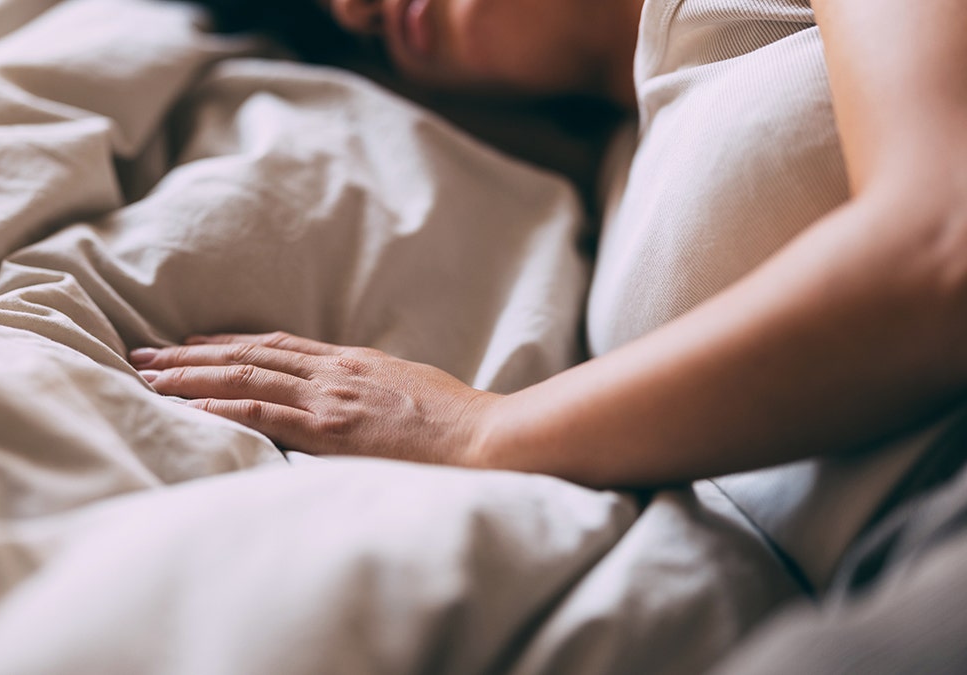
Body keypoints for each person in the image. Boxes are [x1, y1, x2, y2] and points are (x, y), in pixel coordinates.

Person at [129, 0, 967, 491]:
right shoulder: (615, 173)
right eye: (341, 24)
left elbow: (944, 244)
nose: (351, 9)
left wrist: (481, 430)